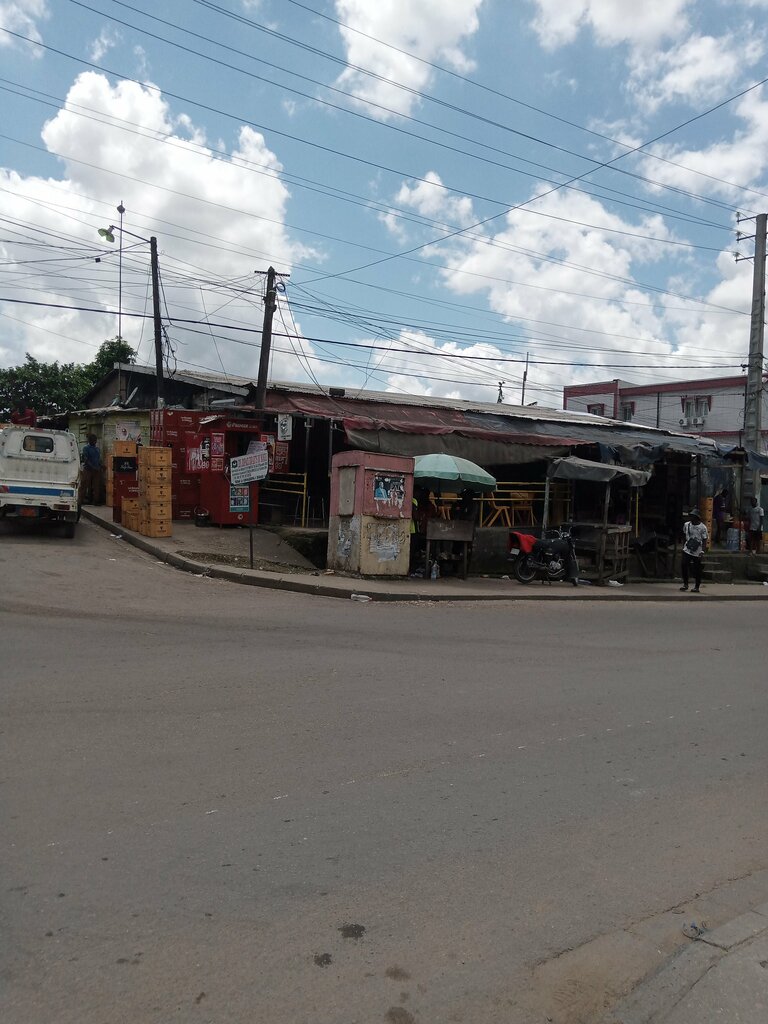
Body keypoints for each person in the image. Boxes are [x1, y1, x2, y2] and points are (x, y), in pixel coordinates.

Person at [680, 509, 708, 593]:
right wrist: (683, 546)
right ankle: (685, 584)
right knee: (684, 565)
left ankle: (697, 586)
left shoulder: (702, 527)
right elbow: (684, 535)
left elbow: (705, 539)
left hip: (697, 550)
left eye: (692, 516)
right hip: (687, 548)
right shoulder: (687, 525)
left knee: (697, 569)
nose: (690, 518)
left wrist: (702, 551)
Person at [80, 433, 103, 505]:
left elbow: (98, 459)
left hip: (96, 469)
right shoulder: (86, 448)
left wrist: (101, 466)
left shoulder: (97, 449)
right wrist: (93, 467)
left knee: (96, 486)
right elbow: (85, 459)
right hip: (88, 469)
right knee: (84, 485)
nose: (94, 442)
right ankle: (80, 500)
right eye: (93, 440)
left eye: (95, 440)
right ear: (90, 441)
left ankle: (95, 500)